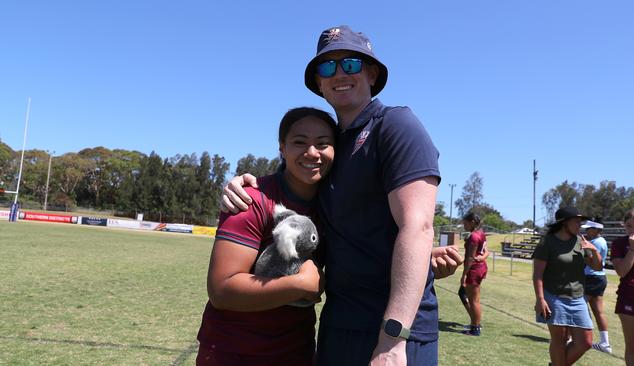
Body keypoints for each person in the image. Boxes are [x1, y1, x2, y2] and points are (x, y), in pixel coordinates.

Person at [220, 25, 464, 366]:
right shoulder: (331, 147)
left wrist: (393, 341)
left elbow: (417, 227)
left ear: (372, 73)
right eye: (326, 67)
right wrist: (243, 185)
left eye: (350, 64)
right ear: (319, 83)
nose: (338, 74)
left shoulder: (395, 125)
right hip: (338, 325)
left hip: (393, 333)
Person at [195, 107, 338, 366]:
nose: (312, 153)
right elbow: (222, 290)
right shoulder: (251, 199)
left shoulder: (334, 205)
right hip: (233, 352)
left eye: (323, 144)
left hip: (298, 351)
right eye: (300, 142)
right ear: (282, 148)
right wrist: (299, 284)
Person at [532, 206, 602, 366]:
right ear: (564, 223)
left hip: (578, 297)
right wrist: (540, 299)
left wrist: (594, 251)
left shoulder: (580, 241)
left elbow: (597, 267)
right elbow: (537, 275)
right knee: (560, 339)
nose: (580, 225)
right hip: (553, 296)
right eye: (577, 221)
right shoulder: (547, 242)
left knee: (586, 342)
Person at [581, 219, 612, 354]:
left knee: (578, 306)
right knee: (598, 311)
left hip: (592, 278)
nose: (586, 231)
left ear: (596, 229)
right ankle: (605, 343)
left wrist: (581, 252)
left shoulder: (596, 243)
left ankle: (572, 337)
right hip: (597, 278)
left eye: (589, 229)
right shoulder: (599, 241)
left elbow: (593, 261)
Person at [610, 209, 634, 365]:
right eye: (629, 226)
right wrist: (632, 249)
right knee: (632, 347)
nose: (632, 230)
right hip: (628, 298)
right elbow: (622, 271)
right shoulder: (619, 244)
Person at [460, 212, 489, 336]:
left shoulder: (473, 236)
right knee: (463, 294)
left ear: (472, 222)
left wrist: (464, 275)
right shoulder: (481, 233)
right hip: (480, 268)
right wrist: (482, 257)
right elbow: (486, 251)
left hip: (474, 270)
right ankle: (474, 322)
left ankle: (475, 328)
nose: (464, 225)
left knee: (473, 300)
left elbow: (470, 258)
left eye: (465, 223)